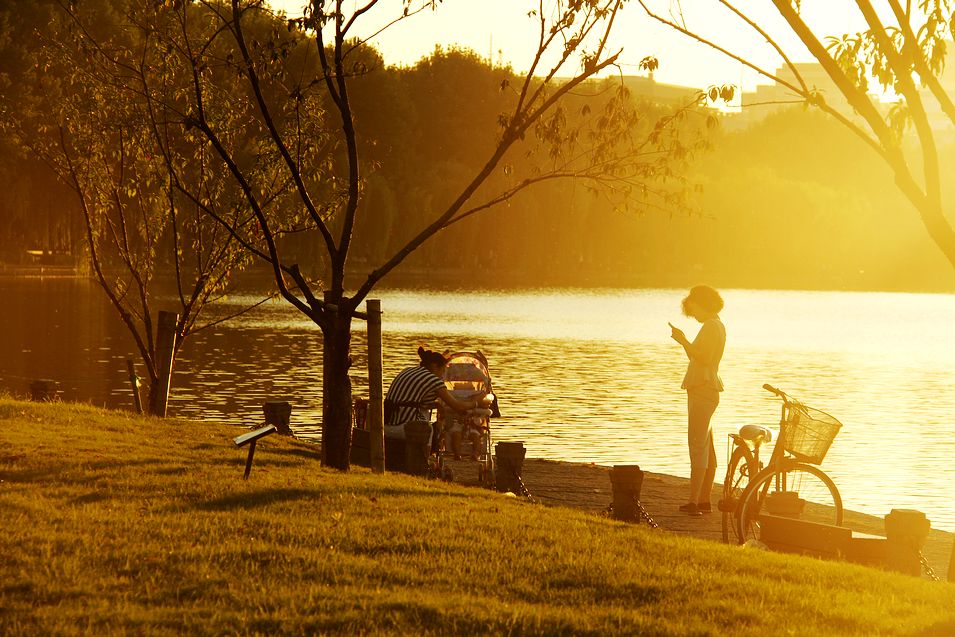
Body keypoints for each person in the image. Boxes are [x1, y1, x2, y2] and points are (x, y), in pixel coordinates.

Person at [669, 285, 726, 517]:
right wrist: (684, 342)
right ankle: (703, 500)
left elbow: (702, 357)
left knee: (697, 444)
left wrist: (683, 340)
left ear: (704, 304)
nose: (694, 315)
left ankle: (694, 501)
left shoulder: (711, 326)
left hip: (703, 388)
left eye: (694, 310)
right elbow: (698, 355)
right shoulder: (715, 325)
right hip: (706, 388)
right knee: (707, 446)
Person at [384, 346, 482, 444]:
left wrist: (437, 405)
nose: (442, 375)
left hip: (387, 424)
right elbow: (458, 407)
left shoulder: (407, 370)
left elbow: (409, 400)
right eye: (442, 370)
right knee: (429, 428)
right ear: (435, 366)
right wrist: (477, 403)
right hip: (405, 427)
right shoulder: (433, 380)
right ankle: (423, 457)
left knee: (425, 414)